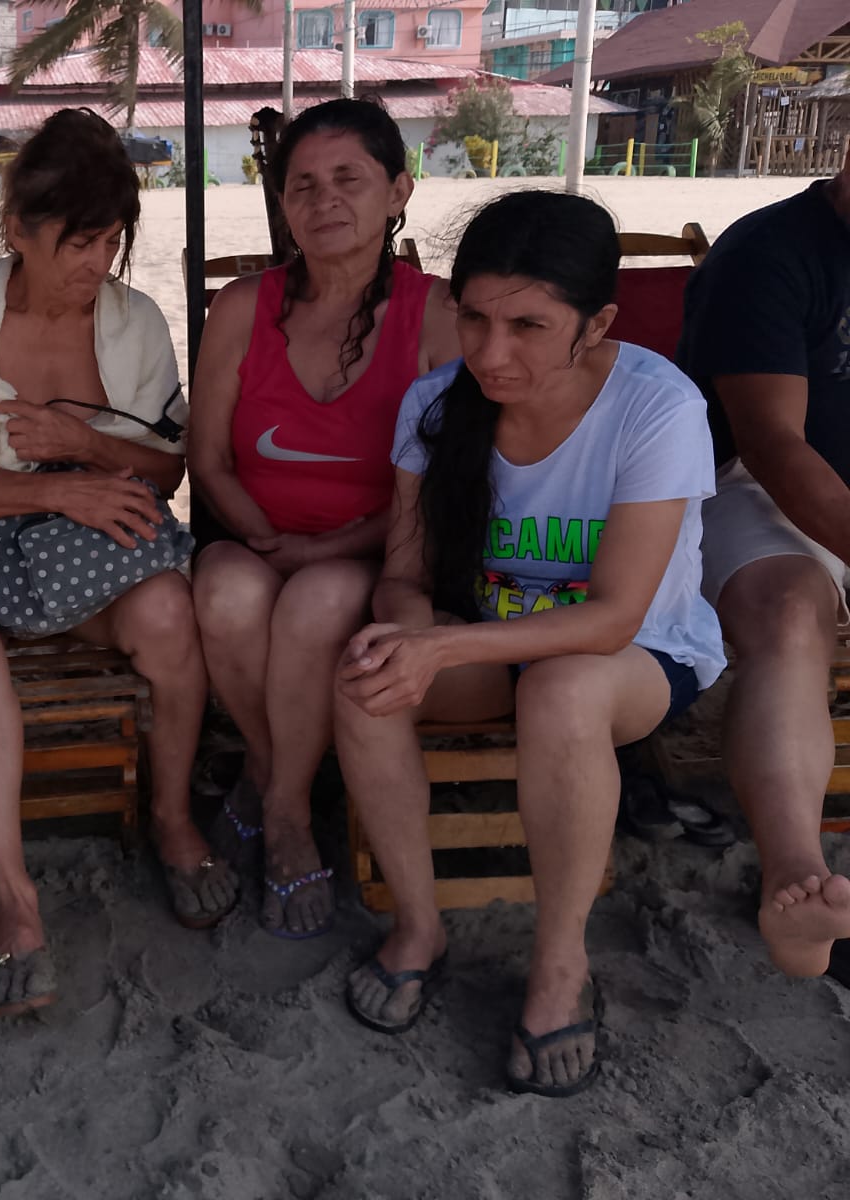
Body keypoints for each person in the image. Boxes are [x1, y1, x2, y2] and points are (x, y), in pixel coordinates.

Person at [333, 191, 725, 1097]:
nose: (490, 352)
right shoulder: (439, 404)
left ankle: (559, 965)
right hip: (487, 645)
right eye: (473, 318)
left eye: (528, 326)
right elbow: (403, 572)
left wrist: (443, 649)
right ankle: (418, 925)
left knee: (562, 688)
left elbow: (615, 617)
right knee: (362, 677)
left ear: (599, 325)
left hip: (637, 657)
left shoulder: (657, 408)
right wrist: (410, 634)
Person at [0, 108, 233, 1017]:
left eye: (111, 241)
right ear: (17, 230)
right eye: (78, 242)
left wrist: (84, 448)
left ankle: (171, 818)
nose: (96, 264)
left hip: (78, 556)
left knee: (168, 611)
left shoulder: (133, 322)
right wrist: (58, 492)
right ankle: (16, 901)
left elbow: (168, 466)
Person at [186, 99, 459, 938]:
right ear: (281, 203)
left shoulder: (437, 314)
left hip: (380, 545)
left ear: (398, 191)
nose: (323, 199)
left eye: (349, 178)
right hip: (256, 535)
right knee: (226, 592)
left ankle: (285, 810)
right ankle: (278, 775)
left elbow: (440, 488)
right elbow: (208, 457)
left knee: (316, 600)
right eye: (301, 184)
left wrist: (325, 549)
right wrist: (264, 537)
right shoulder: (242, 306)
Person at [677, 145, 850, 980]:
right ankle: (794, 874)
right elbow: (772, 443)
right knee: (786, 612)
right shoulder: (769, 253)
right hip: (755, 485)